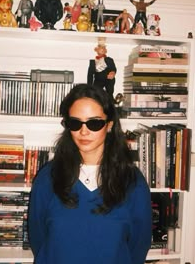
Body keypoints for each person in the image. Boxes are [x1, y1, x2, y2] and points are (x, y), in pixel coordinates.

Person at [28, 83, 152, 264]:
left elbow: (139, 245)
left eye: (94, 123)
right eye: (75, 123)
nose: (83, 131)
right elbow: (38, 237)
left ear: (109, 125)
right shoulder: (48, 178)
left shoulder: (132, 182)